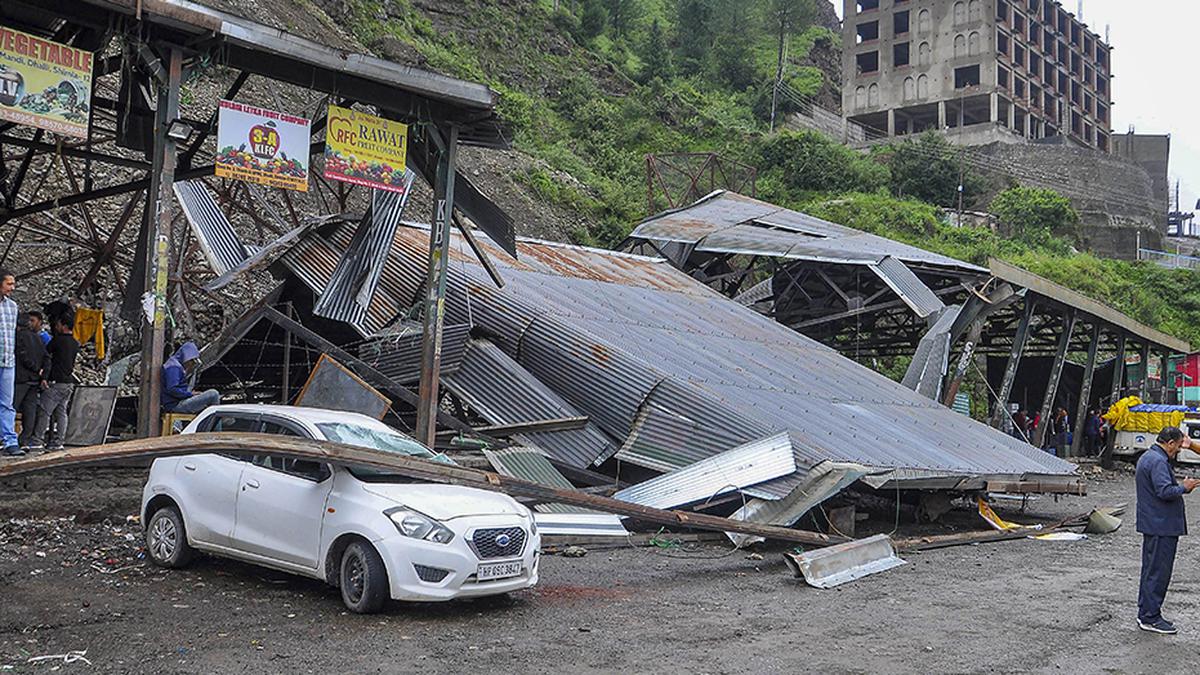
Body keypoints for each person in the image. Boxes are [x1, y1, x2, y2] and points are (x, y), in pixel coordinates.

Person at [1136, 426, 1200, 634]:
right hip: (1161, 525)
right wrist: (1184, 487)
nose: (1178, 452)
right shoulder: (1157, 461)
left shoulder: (1149, 457)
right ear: (1170, 443)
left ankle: (1146, 613)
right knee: (1158, 572)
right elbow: (1164, 491)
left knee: (1151, 570)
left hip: (1155, 524)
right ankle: (1150, 617)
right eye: (1177, 447)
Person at [29, 315, 79, 451]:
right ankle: (59, 442)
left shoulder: (57, 341)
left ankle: (37, 440)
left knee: (45, 412)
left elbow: (46, 355)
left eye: (58, 324)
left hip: (55, 382)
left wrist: (44, 375)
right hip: (68, 382)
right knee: (62, 413)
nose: (56, 327)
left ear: (63, 326)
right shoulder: (75, 343)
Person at [13, 313, 45, 450]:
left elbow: (22, 356)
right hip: (34, 380)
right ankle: (25, 440)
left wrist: (34, 368)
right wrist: (40, 372)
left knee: (11, 407)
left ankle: (7, 438)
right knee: (30, 410)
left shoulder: (19, 337)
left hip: (21, 379)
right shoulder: (38, 338)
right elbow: (46, 357)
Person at [161, 342, 220, 415]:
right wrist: (190, 394)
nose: (191, 364)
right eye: (191, 361)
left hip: (177, 402)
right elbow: (173, 389)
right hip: (175, 405)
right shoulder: (173, 368)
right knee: (213, 394)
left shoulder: (175, 365)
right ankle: (216, 423)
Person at [0, 270, 19, 456]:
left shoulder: (12, 307)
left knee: (7, 403)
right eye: (9, 284)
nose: (12, 288)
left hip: (7, 361)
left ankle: (10, 441)